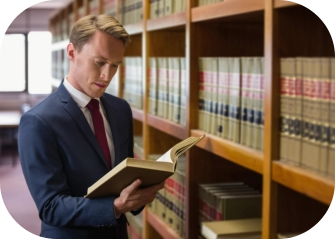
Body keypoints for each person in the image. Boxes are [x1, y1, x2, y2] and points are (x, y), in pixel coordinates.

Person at [18, 14, 164, 239]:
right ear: (72, 53)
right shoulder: (38, 122)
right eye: (100, 62)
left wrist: (138, 194)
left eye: (115, 66)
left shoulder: (120, 109)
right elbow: (50, 207)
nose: (107, 75)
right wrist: (114, 207)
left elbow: (122, 176)